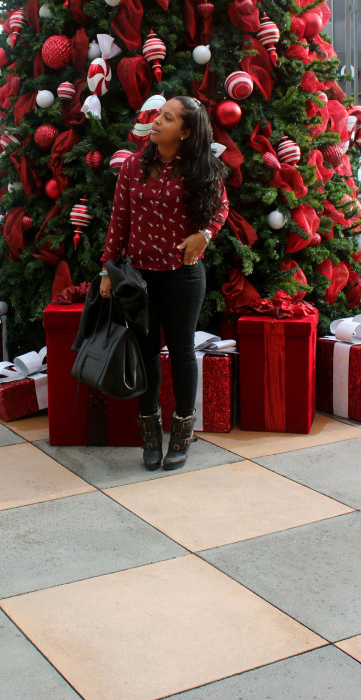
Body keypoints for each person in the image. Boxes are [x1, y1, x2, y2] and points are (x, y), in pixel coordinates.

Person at [100, 96, 229, 471]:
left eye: (167, 118)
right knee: (145, 353)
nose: (156, 122)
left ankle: (183, 433)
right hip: (138, 280)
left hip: (183, 276)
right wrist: (108, 269)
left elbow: (222, 207)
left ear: (185, 132)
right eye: (158, 115)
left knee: (182, 351)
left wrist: (204, 234)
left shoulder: (202, 168)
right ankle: (151, 435)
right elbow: (118, 221)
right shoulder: (131, 167)